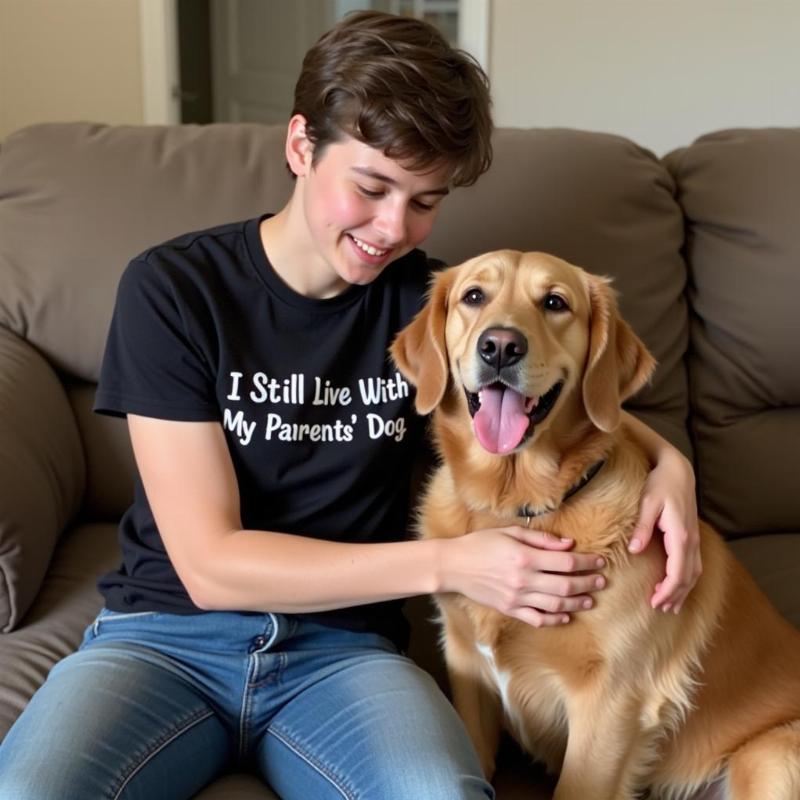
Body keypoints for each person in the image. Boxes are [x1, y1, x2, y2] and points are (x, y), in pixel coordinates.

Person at [0, 11, 701, 800]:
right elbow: (209, 565)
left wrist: (672, 464)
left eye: (425, 200)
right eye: (370, 188)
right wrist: (452, 563)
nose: (392, 228)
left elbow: (556, 381)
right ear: (301, 146)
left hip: (343, 654)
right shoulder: (175, 291)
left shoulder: (431, 305)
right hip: (164, 640)